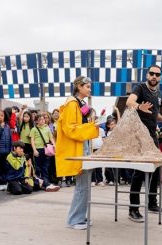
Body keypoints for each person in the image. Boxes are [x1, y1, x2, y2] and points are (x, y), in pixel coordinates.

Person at [126, 64, 162, 222]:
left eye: (157, 74)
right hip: (139, 134)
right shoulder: (140, 88)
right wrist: (139, 106)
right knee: (140, 171)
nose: (154, 76)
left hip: (152, 135)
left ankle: (152, 203)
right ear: (147, 74)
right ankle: (133, 209)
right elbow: (129, 102)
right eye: (151, 73)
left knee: (156, 169)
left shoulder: (159, 93)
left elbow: (155, 113)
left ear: (160, 77)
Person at [56, 76, 99, 230]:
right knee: (82, 185)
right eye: (87, 86)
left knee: (85, 184)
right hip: (79, 147)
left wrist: (91, 124)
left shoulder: (80, 103)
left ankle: (80, 217)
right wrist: (93, 127)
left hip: (83, 145)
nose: (89, 89)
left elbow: (79, 126)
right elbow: (70, 129)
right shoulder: (72, 103)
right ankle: (75, 219)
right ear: (79, 87)